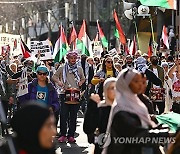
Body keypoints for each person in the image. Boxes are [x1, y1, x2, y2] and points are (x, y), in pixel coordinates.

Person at [103, 68, 168, 154]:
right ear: (126, 84)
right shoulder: (121, 108)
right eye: (136, 81)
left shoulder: (136, 103)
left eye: (141, 81)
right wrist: (162, 133)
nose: (140, 84)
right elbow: (136, 135)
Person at [52, 50, 85, 143]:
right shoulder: (62, 68)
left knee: (74, 115)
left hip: (75, 93)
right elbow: (54, 77)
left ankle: (71, 135)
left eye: (75, 58)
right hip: (64, 93)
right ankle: (63, 134)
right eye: (71, 58)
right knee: (63, 115)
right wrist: (59, 82)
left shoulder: (79, 69)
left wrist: (81, 82)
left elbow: (83, 78)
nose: (73, 60)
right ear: (68, 58)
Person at [84, 77, 117, 154]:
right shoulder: (100, 107)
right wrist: (92, 106)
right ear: (105, 90)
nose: (115, 90)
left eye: (117, 88)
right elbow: (88, 128)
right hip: (101, 146)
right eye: (112, 88)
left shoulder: (124, 107)